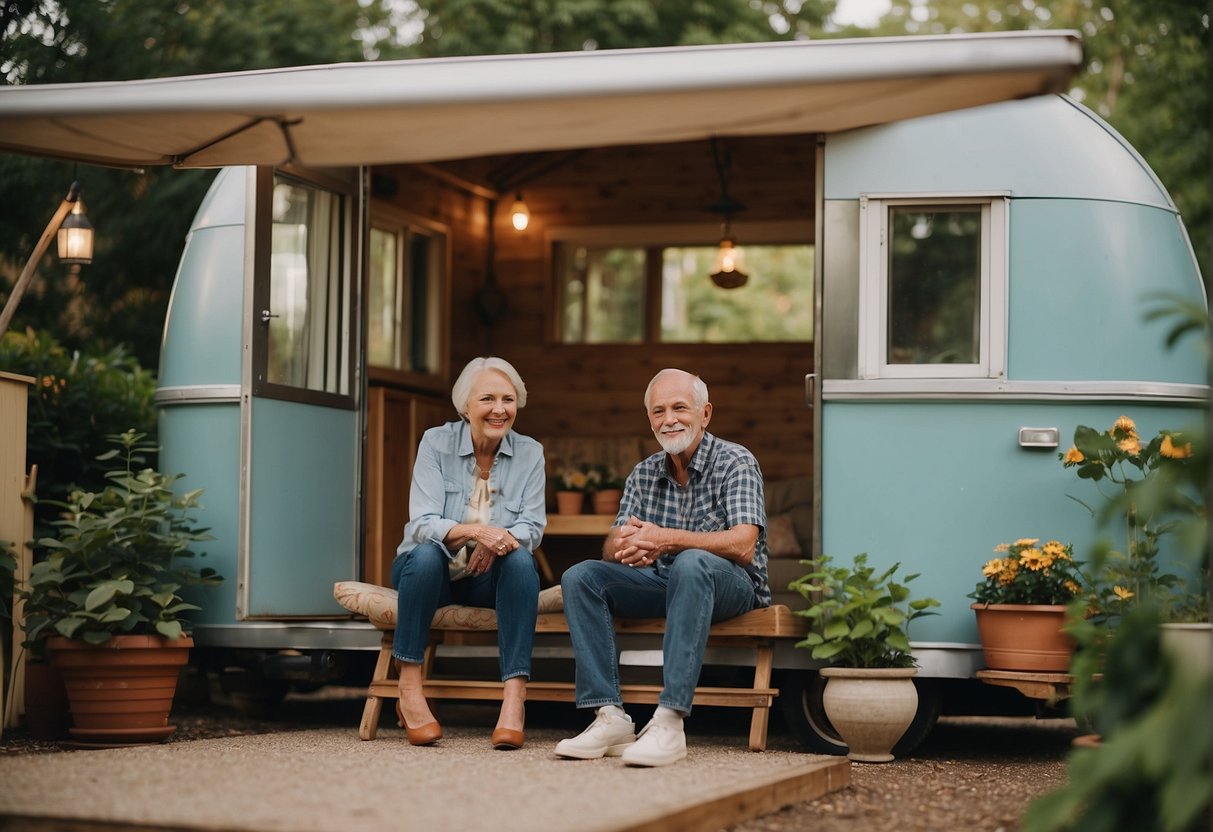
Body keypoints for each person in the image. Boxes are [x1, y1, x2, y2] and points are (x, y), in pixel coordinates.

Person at [555, 368, 769, 767]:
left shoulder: (736, 460)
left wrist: (666, 538)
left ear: (705, 414)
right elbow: (613, 546)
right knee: (581, 576)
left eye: (679, 408)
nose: (669, 419)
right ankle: (610, 715)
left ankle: (670, 721)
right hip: (662, 582)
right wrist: (623, 546)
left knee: (691, 562)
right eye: (658, 411)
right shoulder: (643, 472)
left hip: (732, 586)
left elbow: (743, 545)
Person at [393, 356, 546, 749]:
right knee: (427, 554)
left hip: (483, 580)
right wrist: (479, 532)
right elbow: (422, 522)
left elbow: (532, 527)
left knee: (521, 560)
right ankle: (409, 689)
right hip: (429, 574)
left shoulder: (530, 453)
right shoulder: (435, 442)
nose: (500, 409)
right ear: (465, 406)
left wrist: (499, 545)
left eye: (508, 399)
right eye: (488, 399)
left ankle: (514, 699)